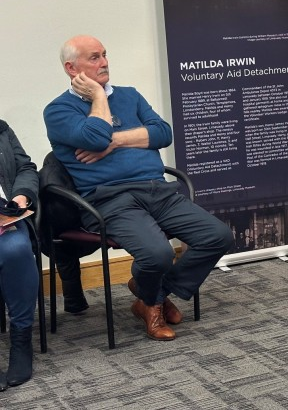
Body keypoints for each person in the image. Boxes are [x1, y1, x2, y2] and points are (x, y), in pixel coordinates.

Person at [43, 35, 234, 341]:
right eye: (93, 58)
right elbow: (95, 137)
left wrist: (116, 140)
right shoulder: (57, 111)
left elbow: (163, 133)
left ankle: (150, 297)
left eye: (105, 54)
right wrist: (99, 97)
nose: (104, 62)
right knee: (158, 255)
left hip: (158, 190)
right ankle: (154, 302)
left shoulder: (130, 95)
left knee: (218, 236)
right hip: (109, 199)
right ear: (71, 67)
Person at [0, 121, 40, 389]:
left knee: (16, 249)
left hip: (5, 214)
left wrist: (22, 196)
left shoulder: (1, 129)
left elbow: (25, 167)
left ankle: (22, 339)